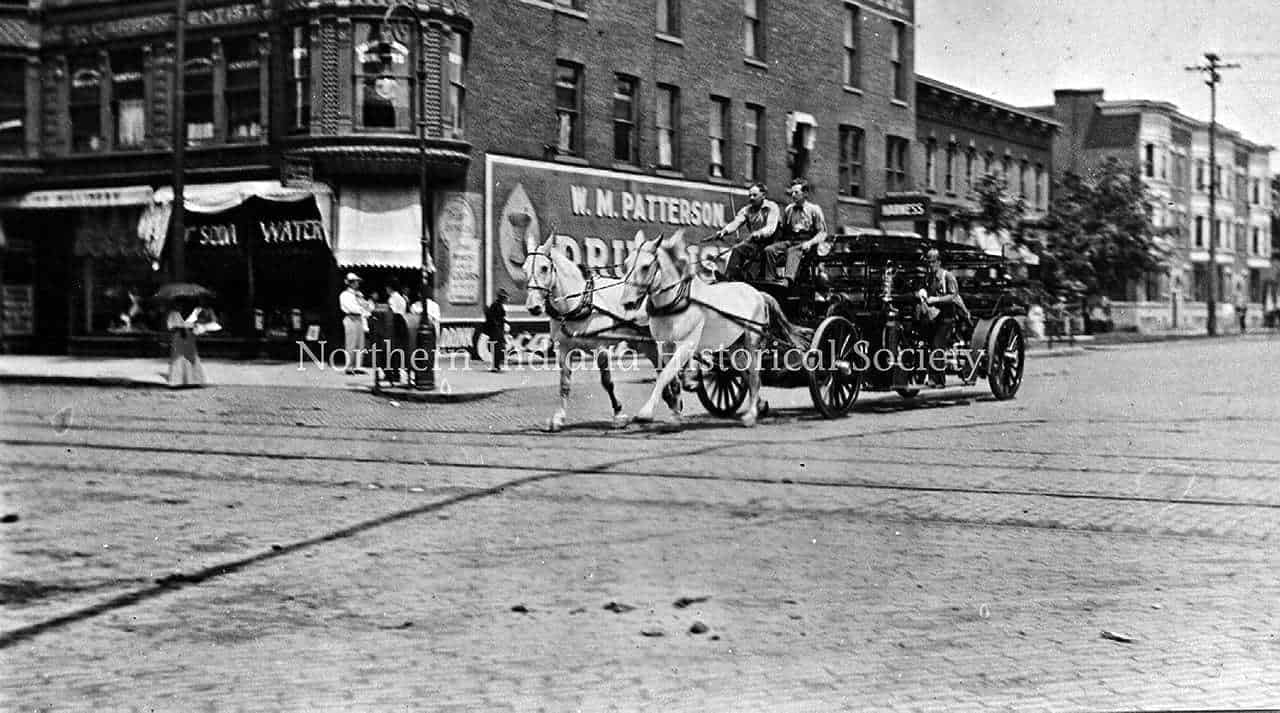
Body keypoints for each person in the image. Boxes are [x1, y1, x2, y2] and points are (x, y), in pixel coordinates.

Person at [916, 248, 969, 388]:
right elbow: (922, 289)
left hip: (947, 318)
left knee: (937, 346)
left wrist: (936, 299)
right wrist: (921, 292)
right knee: (927, 345)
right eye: (929, 262)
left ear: (939, 262)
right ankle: (929, 377)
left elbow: (953, 296)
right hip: (933, 317)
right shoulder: (928, 277)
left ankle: (938, 380)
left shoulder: (948, 276)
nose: (930, 265)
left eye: (933, 262)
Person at [716, 182, 780, 281]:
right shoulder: (747, 210)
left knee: (752, 270)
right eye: (750, 195)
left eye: (755, 195)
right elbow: (736, 222)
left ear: (763, 195)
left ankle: (748, 276)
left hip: (770, 243)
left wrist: (759, 233)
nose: (751, 198)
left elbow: (771, 228)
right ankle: (728, 277)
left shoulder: (772, 207)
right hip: (755, 243)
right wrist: (724, 231)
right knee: (737, 249)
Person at [773, 178, 829, 282]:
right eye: (792, 192)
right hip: (791, 240)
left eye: (796, 192)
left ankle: (788, 279)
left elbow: (822, 233)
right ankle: (770, 278)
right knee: (770, 250)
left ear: (805, 194)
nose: (793, 195)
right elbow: (783, 230)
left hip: (806, 244)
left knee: (793, 251)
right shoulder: (788, 209)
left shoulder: (814, 210)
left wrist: (810, 243)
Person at [166, 297, 206, 389]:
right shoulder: (173, 314)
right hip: (179, 338)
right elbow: (170, 327)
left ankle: (194, 380)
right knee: (178, 358)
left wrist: (192, 328)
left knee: (191, 357)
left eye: (182, 304)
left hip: (189, 338)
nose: (180, 306)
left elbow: (195, 324)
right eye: (178, 304)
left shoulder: (191, 314)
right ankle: (177, 380)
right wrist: (181, 329)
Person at [339, 272, 372, 375]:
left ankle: (358, 366)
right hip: (351, 318)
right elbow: (350, 308)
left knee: (360, 344)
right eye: (356, 282)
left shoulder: (359, 295)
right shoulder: (345, 295)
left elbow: (367, 306)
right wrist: (362, 309)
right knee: (351, 343)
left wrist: (364, 306)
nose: (357, 284)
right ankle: (349, 367)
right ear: (350, 283)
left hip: (359, 319)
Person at [482, 289, 509, 372]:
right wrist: (497, 325)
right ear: (501, 298)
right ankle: (496, 366)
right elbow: (493, 317)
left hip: (498, 330)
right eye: (505, 298)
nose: (506, 300)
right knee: (497, 348)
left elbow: (499, 317)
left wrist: (505, 322)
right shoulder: (496, 305)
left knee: (498, 348)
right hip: (496, 331)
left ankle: (496, 366)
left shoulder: (497, 305)